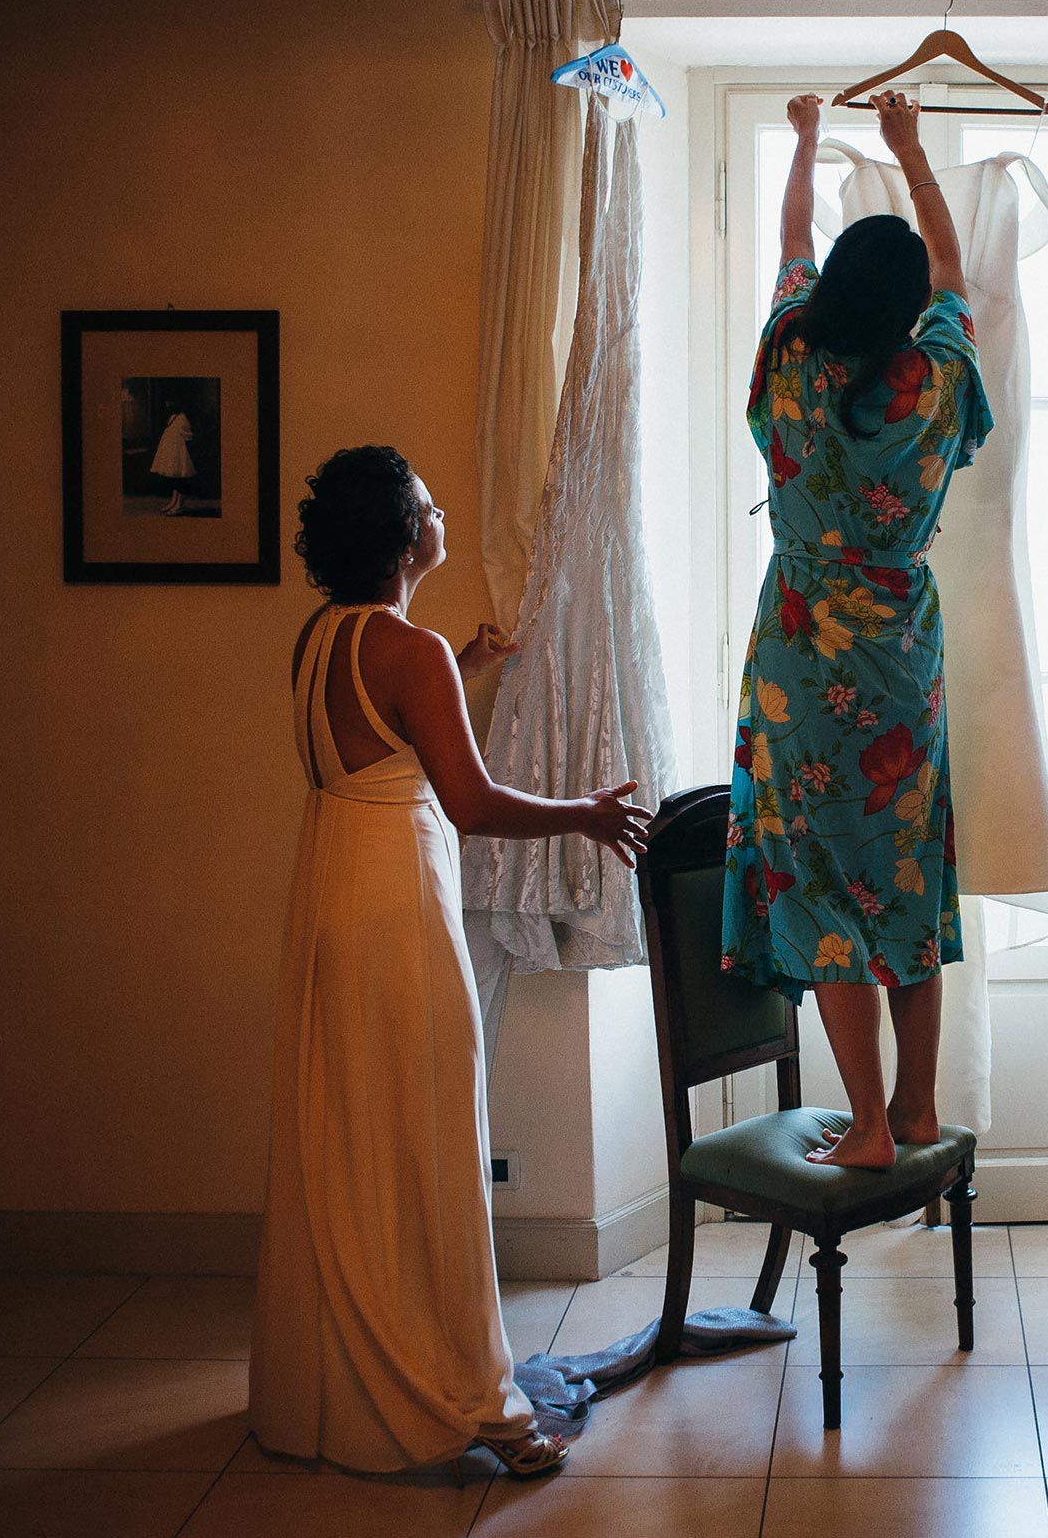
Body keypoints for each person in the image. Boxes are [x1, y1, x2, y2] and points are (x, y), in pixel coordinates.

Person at [250, 445, 651, 1477]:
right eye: (428, 505)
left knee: (350, 1132)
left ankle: (343, 1380)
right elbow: (468, 804)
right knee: (428, 1133)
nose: (440, 515)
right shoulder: (409, 648)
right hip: (395, 906)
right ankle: (476, 1401)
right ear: (400, 536)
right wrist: (589, 815)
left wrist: (463, 673)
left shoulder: (321, 637)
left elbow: (377, 748)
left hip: (331, 899)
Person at [721, 91, 993, 1171]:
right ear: (910, 301)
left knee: (825, 882)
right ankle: (918, 1107)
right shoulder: (934, 377)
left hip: (800, 650)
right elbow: (955, 274)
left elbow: (791, 241)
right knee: (905, 869)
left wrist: (800, 142)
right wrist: (913, 154)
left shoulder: (792, 354)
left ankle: (870, 1126)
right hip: (901, 653)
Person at [151, 407, 198, 516]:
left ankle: (179, 504)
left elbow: (188, 435)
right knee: (173, 476)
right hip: (171, 451)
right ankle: (174, 501)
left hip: (178, 451)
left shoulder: (182, 418)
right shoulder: (173, 417)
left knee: (180, 476)